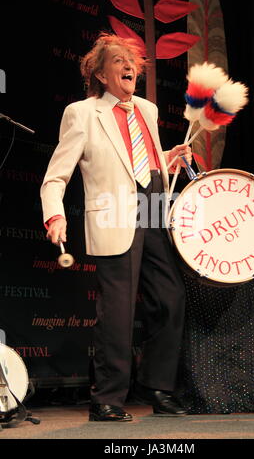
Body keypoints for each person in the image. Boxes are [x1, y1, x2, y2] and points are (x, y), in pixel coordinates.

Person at [40, 33, 192, 422]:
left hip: (154, 207)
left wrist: (167, 158)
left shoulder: (148, 109)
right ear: (100, 74)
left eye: (133, 61)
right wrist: (54, 214)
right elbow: (56, 176)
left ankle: (159, 388)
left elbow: (143, 158)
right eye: (119, 61)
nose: (129, 67)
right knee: (118, 312)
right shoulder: (83, 112)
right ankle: (107, 397)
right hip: (113, 214)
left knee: (170, 298)